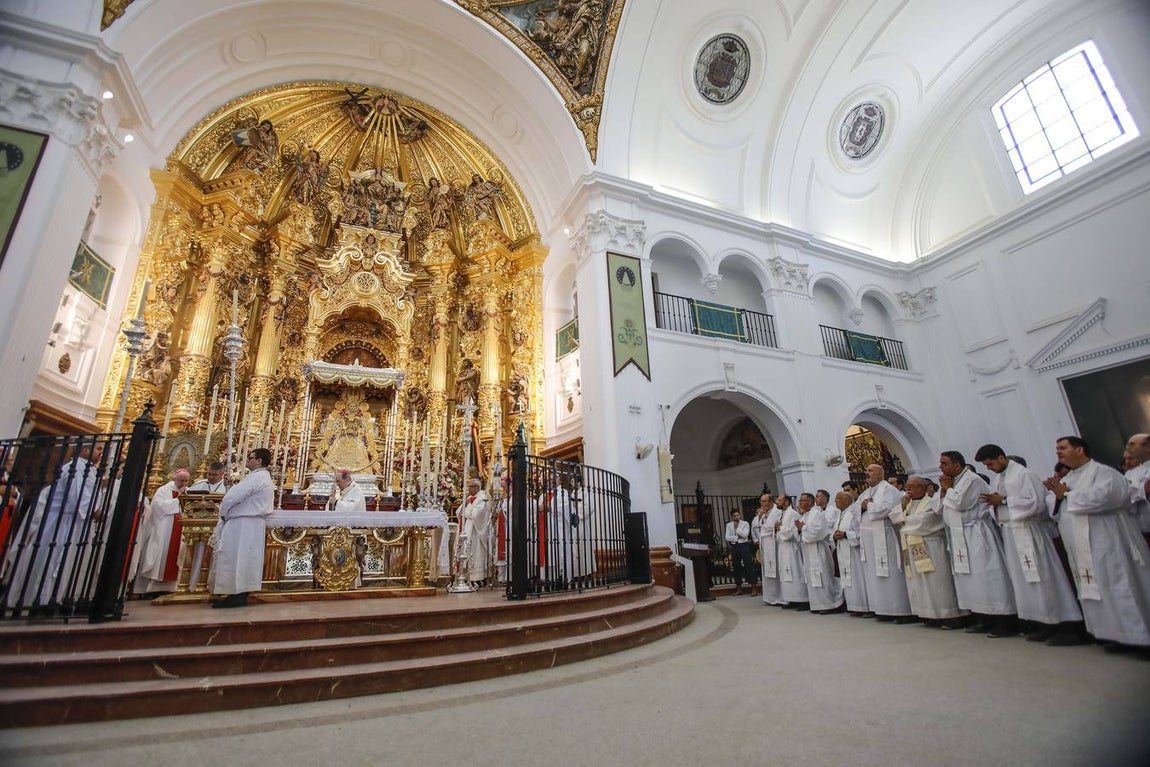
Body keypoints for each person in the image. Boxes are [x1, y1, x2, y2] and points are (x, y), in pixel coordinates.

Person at [1044, 436, 1150, 651]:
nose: (1058, 452)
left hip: (1108, 541)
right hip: (1083, 547)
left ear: (1080, 450)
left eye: (1063, 448)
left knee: (1120, 586)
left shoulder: (1103, 472)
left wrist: (1067, 495)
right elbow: (1055, 506)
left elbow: (1109, 497)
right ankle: (1117, 636)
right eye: (1057, 448)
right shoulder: (1070, 477)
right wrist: (1060, 496)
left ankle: (1140, 637)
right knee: (1100, 589)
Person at [976, 444, 1085, 644]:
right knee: (1024, 582)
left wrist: (1004, 501)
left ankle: (1065, 624)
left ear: (1001, 458)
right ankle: (1042, 622)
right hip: (1011, 532)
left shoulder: (1025, 475)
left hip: (1029, 532)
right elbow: (998, 503)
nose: (989, 468)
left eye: (990, 464)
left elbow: (1037, 504)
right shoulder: (999, 478)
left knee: (1044, 578)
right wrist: (995, 503)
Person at [6, 443, 104, 609]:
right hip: (63, 523)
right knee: (53, 562)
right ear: (85, 450)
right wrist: (97, 513)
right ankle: (43, 602)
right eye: (99, 449)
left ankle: (56, 599)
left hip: (75, 523)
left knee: (66, 564)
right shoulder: (75, 468)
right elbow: (77, 499)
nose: (102, 452)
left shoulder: (88, 470)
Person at [938, 450, 1017, 636]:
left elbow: (960, 503)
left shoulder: (972, 480)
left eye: (944, 463)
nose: (940, 467)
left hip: (977, 534)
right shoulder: (954, 482)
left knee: (987, 577)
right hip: (961, 535)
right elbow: (938, 507)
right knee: (971, 580)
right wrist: (944, 490)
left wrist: (948, 489)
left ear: (957, 465)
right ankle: (982, 617)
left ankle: (1003, 620)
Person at [889, 476, 964, 628]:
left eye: (913, 486)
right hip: (913, 547)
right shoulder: (908, 503)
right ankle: (929, 615)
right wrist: (903, 506)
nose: (909, 489)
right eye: (908, 486)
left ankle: (948, 616)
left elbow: (923, 522)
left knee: (937, 582)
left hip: (932, 547)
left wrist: (903, 521)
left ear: (923, 488)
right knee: (920, 583)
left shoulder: (931, 503)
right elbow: (894, 517)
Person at [210, 448, 275, 608]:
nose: (248, 460)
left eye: (251, 458)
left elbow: (232, 498)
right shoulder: (263, 477)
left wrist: (224, 514)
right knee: (246, 558)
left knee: (236, 557)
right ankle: (240, 592)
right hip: (251, 523)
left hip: (242, 523)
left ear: (259, 461)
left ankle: (235, 594)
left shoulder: (256, 477)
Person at [859, 463, 914, 622]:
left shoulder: (889, 490)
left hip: (886, 537)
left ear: (880, 474)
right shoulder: (866, 492)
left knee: (892, 573)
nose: (867, 472)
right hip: (870, 541)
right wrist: (863, 507)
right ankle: (883, 609)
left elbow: (887, 510)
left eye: (870, 470)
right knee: (875, 575)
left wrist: (868, 505)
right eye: (866, 470)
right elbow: (856, 510)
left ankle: (900, 611)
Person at [133, 468, 190, 596]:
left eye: (186, 481)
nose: (184, 483)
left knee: (177, 556)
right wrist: (179, 500)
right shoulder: (163, 490)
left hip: (179, 527)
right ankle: (152, 589)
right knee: (160, 555)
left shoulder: (187, 491)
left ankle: (171, 587)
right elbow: (158, 507)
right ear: (174, 478)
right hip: (164, 528)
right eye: (181, 480)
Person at [799, 492, 843, 614]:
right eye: (800, 501)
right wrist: (800, 529)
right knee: (812, 577)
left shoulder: (817, 514)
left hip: (818, 549)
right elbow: (798, 531)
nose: (800, 503)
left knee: (823, 576)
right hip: (808, 550)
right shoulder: (805, 515)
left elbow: (818, 532)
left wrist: (802, 528)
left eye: (802, 500)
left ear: (809, 502)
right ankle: (816, 604)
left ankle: (829, 604)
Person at [832, 490, 869, 615]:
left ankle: (862, 606)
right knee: (846, 578)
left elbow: (860, 531)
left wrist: (845, 534)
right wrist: (835, 535)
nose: (835, 501)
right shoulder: (840, 513)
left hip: (853, 552)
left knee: (857, 578)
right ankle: (853, 606)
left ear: (846, 500)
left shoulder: (853, 512)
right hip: (842, 549)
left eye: (837, 498)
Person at [775, 495, 808, 609]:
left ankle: (802, 599)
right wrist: (778, 528)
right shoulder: (782, 514)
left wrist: (780, 528)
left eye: (779, 500)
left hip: (792, 548)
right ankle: (791, 598)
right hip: (783, 547)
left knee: (795, 572)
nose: (777, 502)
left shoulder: (793, 514)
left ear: (787, 502)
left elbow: (793, 531)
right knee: (786, 574)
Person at [458, 477, 491, 585]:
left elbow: (474, 515)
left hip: (476, 532)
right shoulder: (470, 498)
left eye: (471, 487)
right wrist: (467, 504)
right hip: (469, 529)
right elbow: (459, 513)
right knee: (468, 551)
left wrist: (469, 505)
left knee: (476, 552)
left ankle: (477, 577)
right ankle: (467, 575)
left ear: (477, 487)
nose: (469, 489)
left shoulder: (482, 499)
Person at [1122, 433, 1150, 545]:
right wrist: (1143, 489)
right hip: (1144, 528)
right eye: (1128, 444)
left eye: (1132, 444)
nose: (1128, 447)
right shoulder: (1130, 474)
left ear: (1148, 446)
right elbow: (1125, 495)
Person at [759, 497, 784, 606]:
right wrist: (762, 518)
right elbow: (760, 525)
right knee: (767, 571)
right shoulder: (764, 513)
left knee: (776, 570)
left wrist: (766, 525)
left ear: (771, 502)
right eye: (761, 501)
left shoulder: (777, 511)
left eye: (764, 501)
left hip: (773, 544)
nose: (762, 503)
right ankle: (770, 597)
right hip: (766, 544)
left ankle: (779, 597)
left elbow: (774, 526)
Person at [724, 509, 753, 595]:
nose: (736, 517)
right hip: (735, 546)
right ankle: (739, 588)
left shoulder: (745, 523)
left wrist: (737, 529)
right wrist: (737, 538)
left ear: (740, 515)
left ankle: (753, 587)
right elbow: (727, 537)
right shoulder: (729, 525)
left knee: (748, 565)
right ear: (732, 517)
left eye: (737, 515)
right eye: (734, 516)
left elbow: (745, 535)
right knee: (736, 567)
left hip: (744, 546)